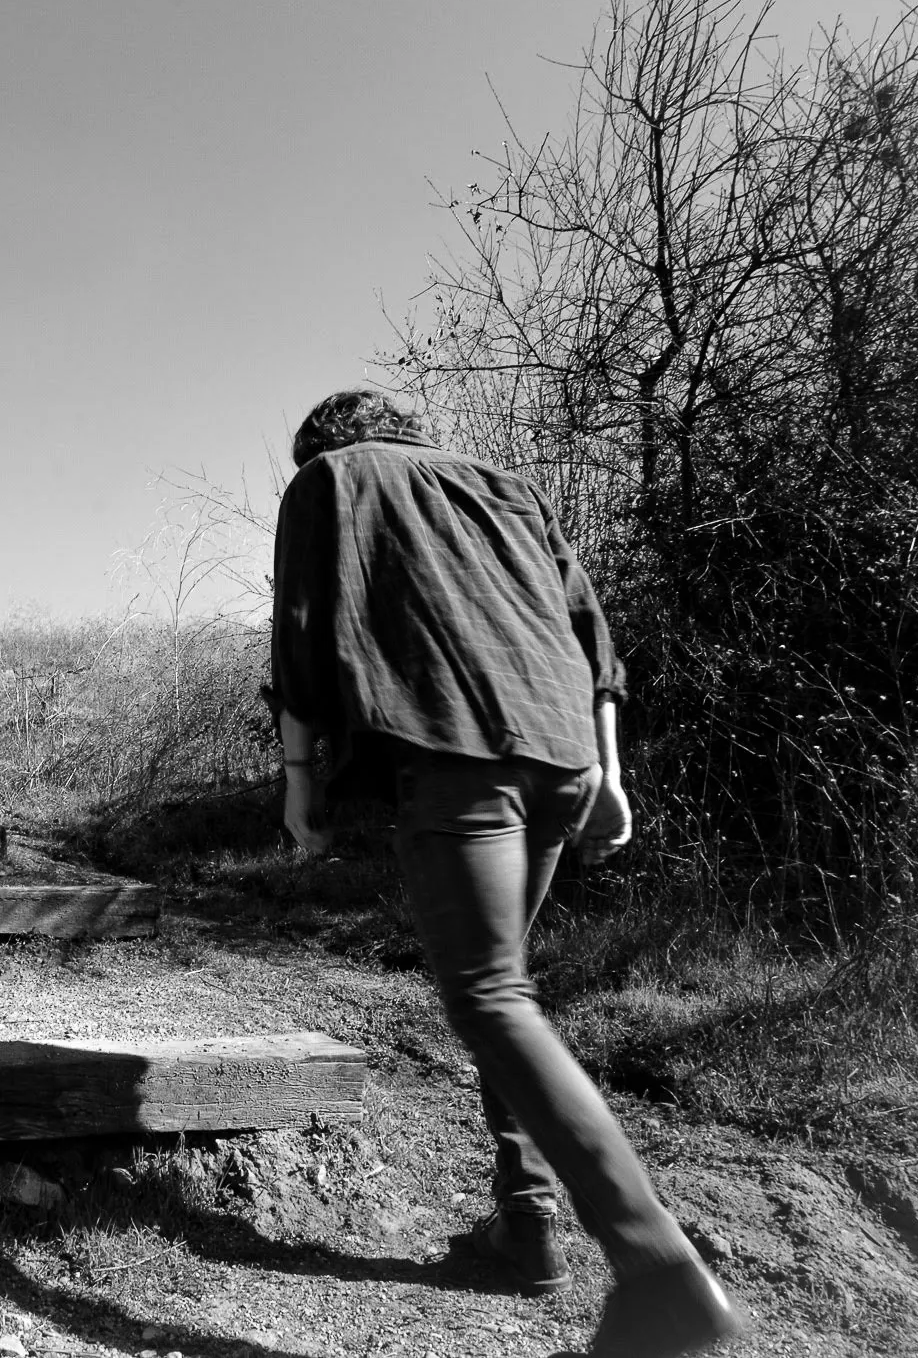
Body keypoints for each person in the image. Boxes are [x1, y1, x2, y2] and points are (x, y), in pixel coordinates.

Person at [270, 388, 742, 1358]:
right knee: (509, 994)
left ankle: (656, 1268)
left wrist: (297, 783)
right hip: (564, 753)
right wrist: (608, 775)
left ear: (321, 442)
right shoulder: (505, 485)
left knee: (486, 995)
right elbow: (588, 633)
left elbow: (303, 630)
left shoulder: (331, 477)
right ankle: (524, 1222)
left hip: (460, 753)